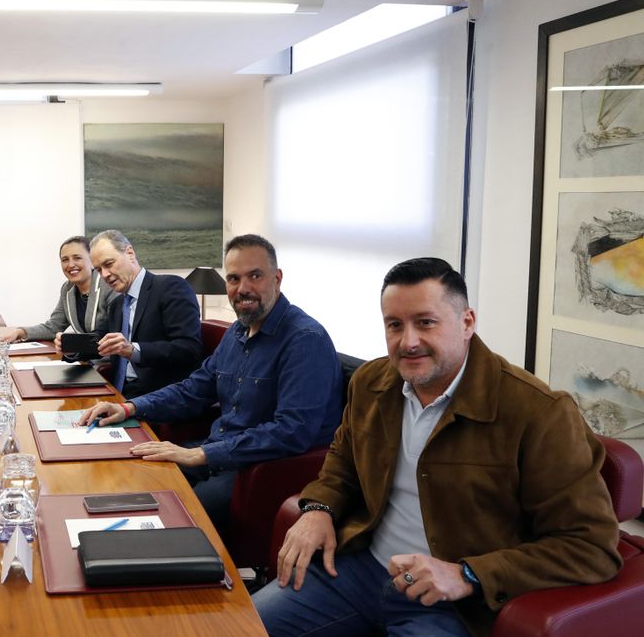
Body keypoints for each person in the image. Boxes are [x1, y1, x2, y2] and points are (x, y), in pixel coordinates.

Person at [254, 257, 622, 637]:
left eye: (426, 322)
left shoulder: (540, 412)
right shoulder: (370, 382)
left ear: (467, 323)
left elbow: (590, 547)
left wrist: (468, 574)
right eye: (394, 325)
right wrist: (319, 508)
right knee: (234, 627)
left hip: (455, 606)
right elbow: (343, 461)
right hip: (357, 570)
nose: (408, 341)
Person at [81, 234, 342, 531]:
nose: (243, 289)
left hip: (258, 469)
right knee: (134, 479)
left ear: (277, 279)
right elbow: (194, 388)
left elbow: (291, 431)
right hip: (217, 452)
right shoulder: (237, 332)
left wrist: (200, 454)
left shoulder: (305, 340)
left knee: (173, 521)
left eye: (255, 276)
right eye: (233, 279)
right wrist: (130, 408)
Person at [84, 229, 201, 398]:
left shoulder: (170, 287)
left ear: (130, 253)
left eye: (109, 264)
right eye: (99, 270)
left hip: (158, 395)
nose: (105, 275)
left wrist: (132, 350)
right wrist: (68, 346)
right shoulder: (117, 304)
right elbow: (97, 339)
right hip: (118, 393)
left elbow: (188, 349)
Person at [0, 235, 116, 343]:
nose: (70, 265)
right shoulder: (67, 288)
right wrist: (20, 332)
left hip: (108, 356)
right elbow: (54, 326)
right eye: (65, 260)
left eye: (77, 258)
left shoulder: (108, 285)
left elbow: (112, 332)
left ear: (92, 261)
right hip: (87, 355)